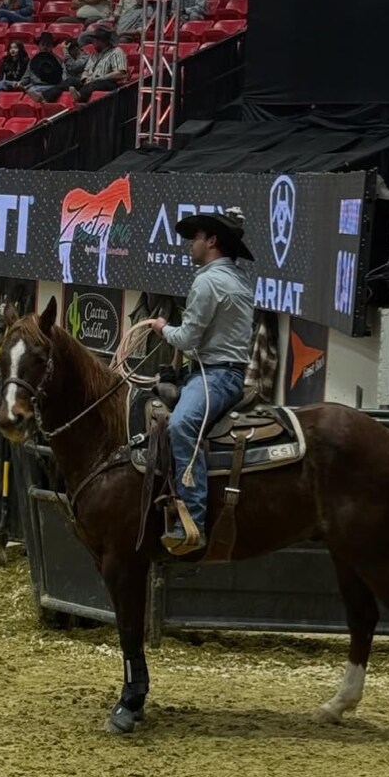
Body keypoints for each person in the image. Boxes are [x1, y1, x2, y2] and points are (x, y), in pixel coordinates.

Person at [147, 208, 254, 555]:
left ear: (212, 241)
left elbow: (188, 339)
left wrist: (162, 328)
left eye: (195, 238)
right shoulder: (237, 278)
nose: (189, 244)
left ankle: (192, 522)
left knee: (181, 425)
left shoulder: (208, 282)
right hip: (222, 372)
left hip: (216, 376)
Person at [40, 24, 127, 103]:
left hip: (107, 82)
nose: (93, 42)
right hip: (91, 81)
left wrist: (99, 78)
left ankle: (79, 96)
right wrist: (85, 78)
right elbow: (86, 70)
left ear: (102, 41)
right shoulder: (94, 55)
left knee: (97, 83)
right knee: (71, 81)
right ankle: (45, 97)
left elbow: (120, 73)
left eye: (95, 40)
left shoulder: (116, 52)